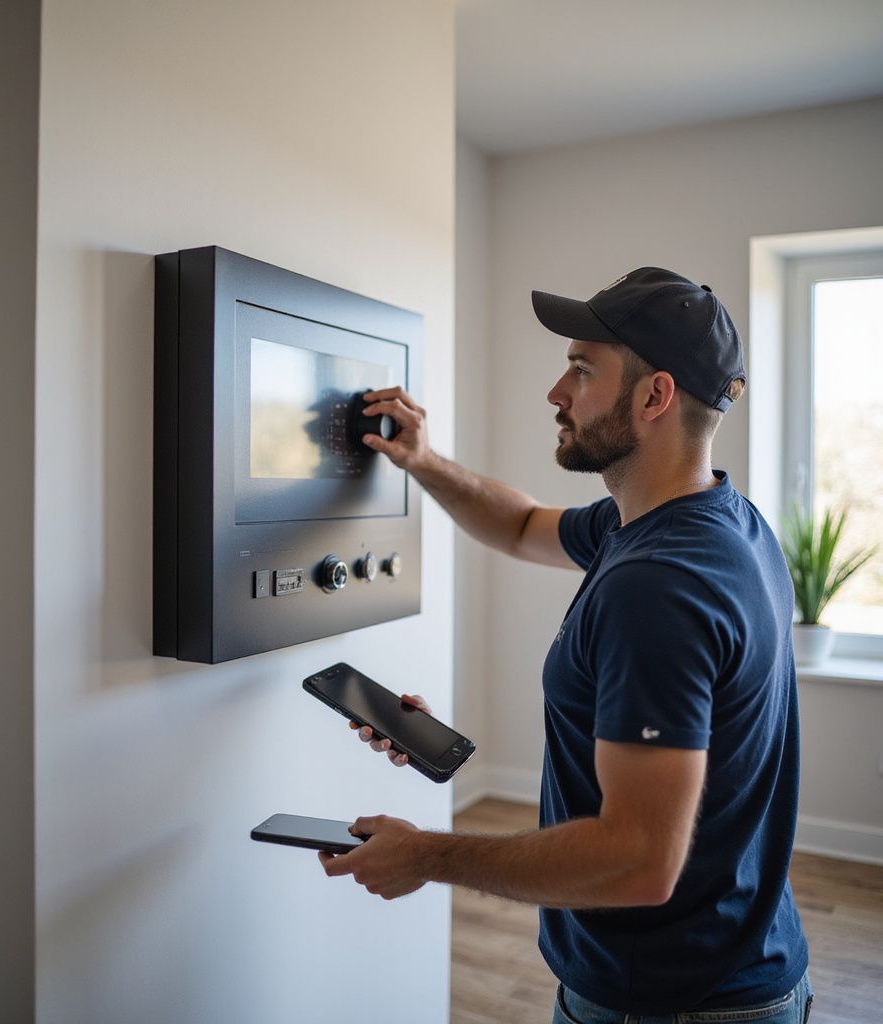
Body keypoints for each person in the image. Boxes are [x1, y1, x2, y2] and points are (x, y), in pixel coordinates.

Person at [318, 268, 813, 1023]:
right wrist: (422, 461)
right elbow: (519, 526)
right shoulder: (709, 518)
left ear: (654, 397)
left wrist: (428, 855)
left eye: (582, 369)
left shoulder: (660, 586)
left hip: (672, 1002)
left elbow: (640, 861)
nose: (556, 391)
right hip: (735, 962)